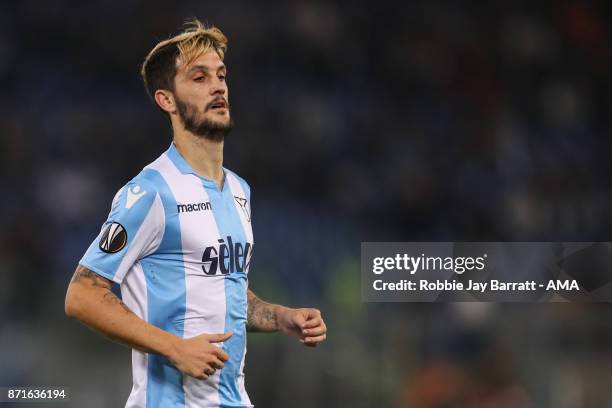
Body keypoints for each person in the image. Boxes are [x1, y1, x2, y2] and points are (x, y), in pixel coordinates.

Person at [64, 19, 327, 408]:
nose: (218, 86)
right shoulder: (149, 192)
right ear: (166, 99)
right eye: (199, 78)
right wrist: (174, 348)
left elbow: (227, 291)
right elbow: (82, 295)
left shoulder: (239, 190)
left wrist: (281, 317)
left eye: (221, 75)